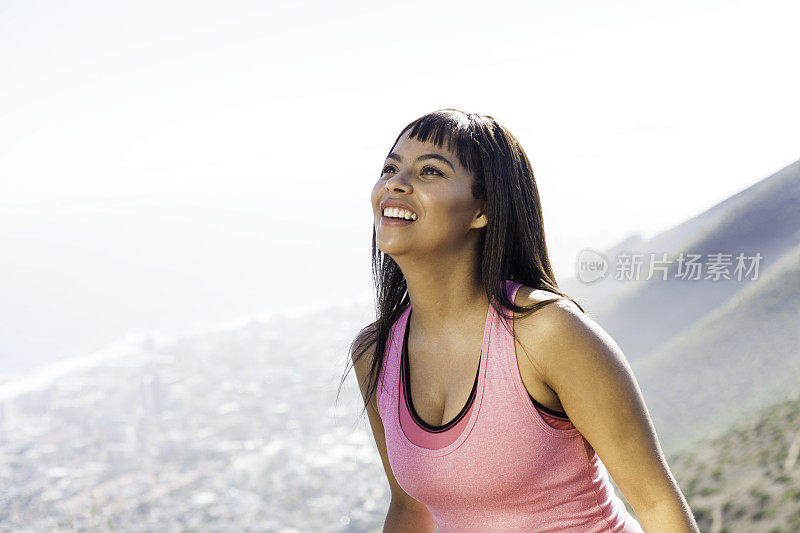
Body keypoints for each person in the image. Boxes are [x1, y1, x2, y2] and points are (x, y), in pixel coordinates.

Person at [343, 109, 699, 532]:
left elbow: (658, 505)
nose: (395, 184)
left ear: (483, 210)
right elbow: (408, 509)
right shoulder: (375, 354)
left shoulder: (547, 332)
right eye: (390, 167)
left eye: (430, 172)